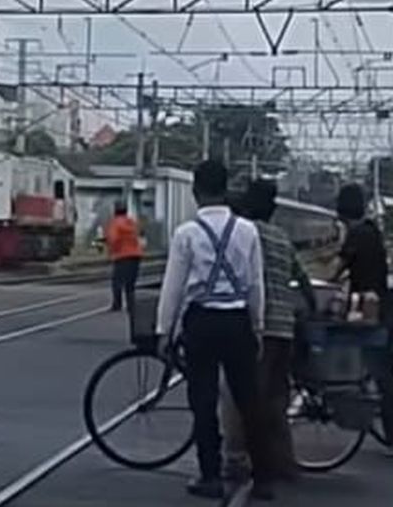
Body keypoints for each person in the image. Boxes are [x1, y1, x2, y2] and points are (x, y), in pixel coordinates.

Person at [156, 160, 270, 500]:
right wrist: (258, 325)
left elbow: (173, 287)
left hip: (202, 322)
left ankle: (210, 475)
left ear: (195, 191)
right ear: (227, 189)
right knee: (249, 400)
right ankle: (263, 478)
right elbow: (255, 285)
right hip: (237, 321)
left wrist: (165, 329)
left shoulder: (187, 233)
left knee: (203, 401)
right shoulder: (248, 230)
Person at [222, 179, 314, 482]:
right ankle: (284, 464)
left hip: (257, 329)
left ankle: (239, 461)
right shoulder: (281, 237)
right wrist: (310, 309)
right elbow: (302, 279)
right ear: (273, 210)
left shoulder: (244, 233)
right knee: (276, 399)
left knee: (242, 398)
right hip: (285, 331)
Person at [333, 183, 393, 444]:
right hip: (382, 305)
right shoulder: (370, 231)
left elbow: (337, 267)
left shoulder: (357, 234)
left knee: (382, 373)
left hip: (375, 311)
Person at [105, 200, 143, 314]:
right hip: (136, 255)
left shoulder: (115, 223)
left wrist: (111, 251)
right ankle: (131, 305)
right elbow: (139, 235)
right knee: (130, 283)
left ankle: (117, 304)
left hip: (122, 256)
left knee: (117, 281)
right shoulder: (131, 222)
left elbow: (113, 239)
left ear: (115, 210)